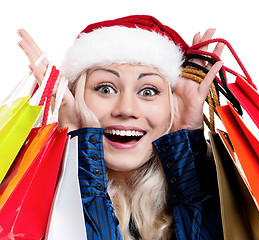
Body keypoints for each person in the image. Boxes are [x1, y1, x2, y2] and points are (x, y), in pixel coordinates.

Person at [18, 15, 224, 240]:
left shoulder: (227, 196)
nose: (126, 109)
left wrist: (186, 148)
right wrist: (76, 149)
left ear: (171, 105)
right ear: (77, 96)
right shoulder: (22, 200)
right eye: (106, 89)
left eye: (148, 91)